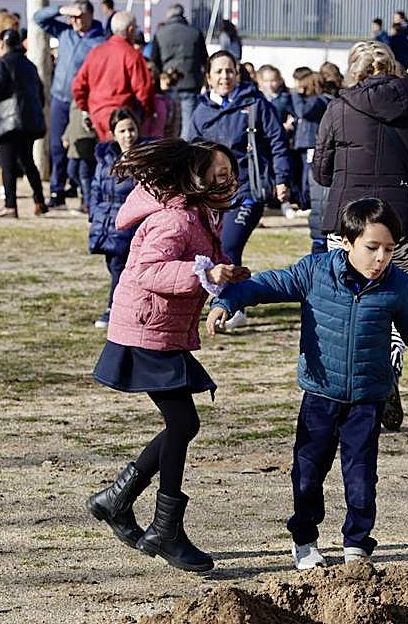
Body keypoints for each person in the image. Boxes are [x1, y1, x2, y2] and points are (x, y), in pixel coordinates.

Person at [206, 197, 408, 569]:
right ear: (346, 241)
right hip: (320, 397)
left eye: (389, 250)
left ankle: (357, 544)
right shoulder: (315, 272)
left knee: (361, 479)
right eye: (372, 248)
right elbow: (263, 285)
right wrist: (226, 302)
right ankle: (304, 541)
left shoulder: (397, 286)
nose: (381, 258)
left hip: (367, 399)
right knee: (307, 474)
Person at [86, 137, 248, 573]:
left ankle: (117, 500)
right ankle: (164, 528)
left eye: (230, 175)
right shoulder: (174, 220)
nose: (228, 183)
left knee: (183, 422)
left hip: (161, 330)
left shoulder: (198, 215)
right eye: (219, 176)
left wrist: (224, 271)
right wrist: (205, 272)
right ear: (194, 178)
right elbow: (148, 270)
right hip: (144, 331)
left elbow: (206, 259)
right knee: (182, 422)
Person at [313, 40, 408, 430]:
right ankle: (387, 373)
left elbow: (321, 172)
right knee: (393, 305)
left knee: (345, 306)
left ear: (353, 73)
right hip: (400, 223)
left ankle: (347, 390)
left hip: (348, 225)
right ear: (393, 69)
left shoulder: (338, 109)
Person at [189, 51, 291, 328]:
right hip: (211, 195)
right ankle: (226, 300)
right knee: (212, 250)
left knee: (229, 244)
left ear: (238, 73)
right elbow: (190, 153)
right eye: (218, 72)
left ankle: (233, 309)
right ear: (209, 77)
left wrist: (282, 179)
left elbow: (277, 143)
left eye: (229, 71)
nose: (224, 77)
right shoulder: (201, 111)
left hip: (246, 191)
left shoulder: (256, 105)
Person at [34, 0, 105, 208]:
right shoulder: (65, 33)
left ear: (90, 16)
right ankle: (57, 191)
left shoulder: (100, 41)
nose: (75, 21)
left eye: (79, 16)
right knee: (56, 146)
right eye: (72, 17)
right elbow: (39, 18)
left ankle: (84, 191)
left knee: (82, 148)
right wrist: (62, 9)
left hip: (81, 103)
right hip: (59, 98)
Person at [88, 108, 143, 329]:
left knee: (120, 264)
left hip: (130, 221)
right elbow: (95, 188)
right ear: (113, 133)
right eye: (122, 130)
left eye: (131, 129)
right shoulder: (105, 157)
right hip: (106, 219)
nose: (128, 135)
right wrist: (94, 214)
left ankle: (113, 308)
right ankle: (129, 303)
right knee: (113, 264)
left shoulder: (143, 158)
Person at [72, 11, 155, 141]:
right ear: (131, 30)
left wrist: (87, 108)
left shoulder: (96, 52)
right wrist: (148, 114)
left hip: (97, 114)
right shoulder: (132, 55)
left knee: (104, 155)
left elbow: (78, 85)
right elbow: (144, 90)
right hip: (122, 117)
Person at [0, 28, 47, 217]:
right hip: (30, 122)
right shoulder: (30, 65)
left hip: (9, 123)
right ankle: (40, 201)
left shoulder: (1, 64)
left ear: (2, 44)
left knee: (7, 163)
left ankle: (10, 205)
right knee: (28, 162)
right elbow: (40, 94)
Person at [150, 4, 208, 140]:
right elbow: (204, 59)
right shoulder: (195, 33)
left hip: (168, 85)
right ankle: (185, 152)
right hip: (190, 84)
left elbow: (154, 61)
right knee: (188, 125)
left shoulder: (160, 34)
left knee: (168, 124)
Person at [291, 71, 332, 211]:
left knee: (308, 175)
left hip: (310, 144)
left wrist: (295, 94)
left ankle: (307, 203)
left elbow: (302, 111)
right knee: (302, 173)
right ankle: (304, 201)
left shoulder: (317, 100)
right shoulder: (317, 100)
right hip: (305, 144)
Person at [62, 101, 98, 214]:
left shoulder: (92, 99)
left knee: (84, 175)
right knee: (71, 172)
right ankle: (86, 193)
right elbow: (71, 121)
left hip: (87, 142)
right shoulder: (74, 101)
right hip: (74, 143)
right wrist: (66, 136)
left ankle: (87, 204)